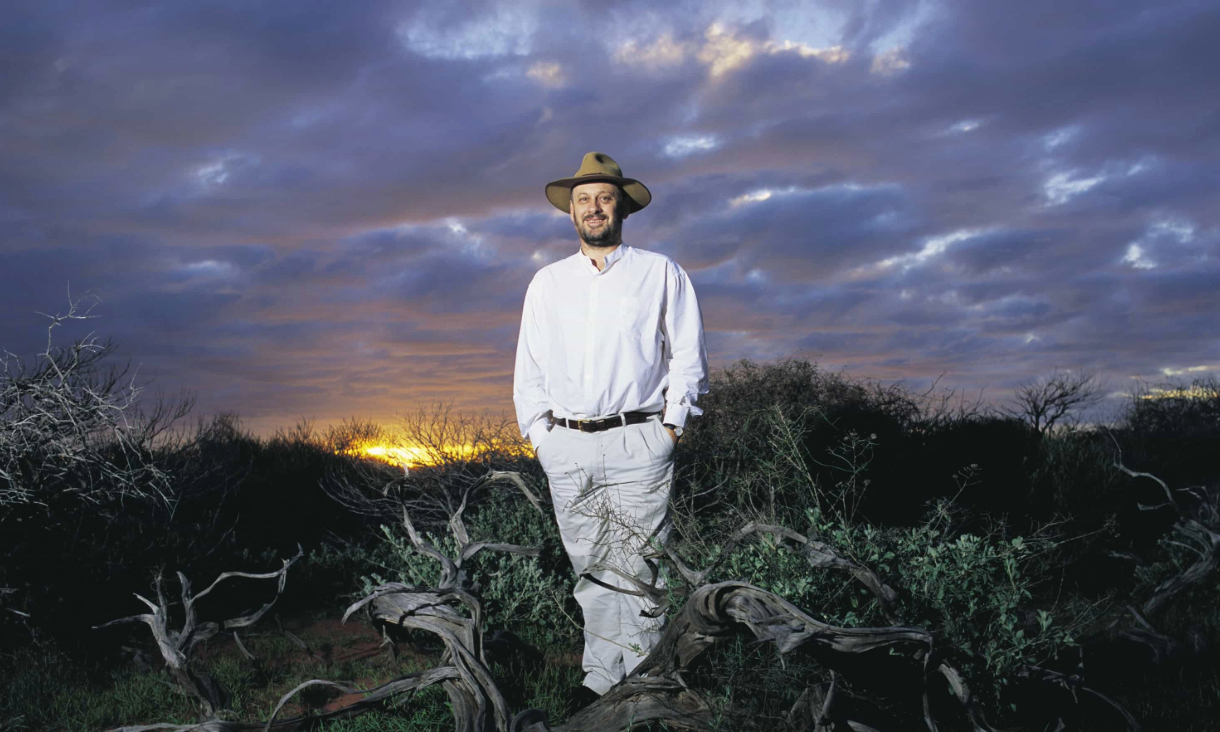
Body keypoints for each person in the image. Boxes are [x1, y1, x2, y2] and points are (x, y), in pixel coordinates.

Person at [513, 152, 709, 704]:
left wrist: (669, 430)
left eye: (603, 197)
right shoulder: (547, 283)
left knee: (641, 565)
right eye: (583, 199)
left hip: (638, 439)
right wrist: (542, 437)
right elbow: (528, 368)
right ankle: (601, 679)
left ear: (621, 205)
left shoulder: (660, 272)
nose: (593, 207)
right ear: (570, 212)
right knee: (591, 567)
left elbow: (687, 357)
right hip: (567, 443)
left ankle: (644, 680)